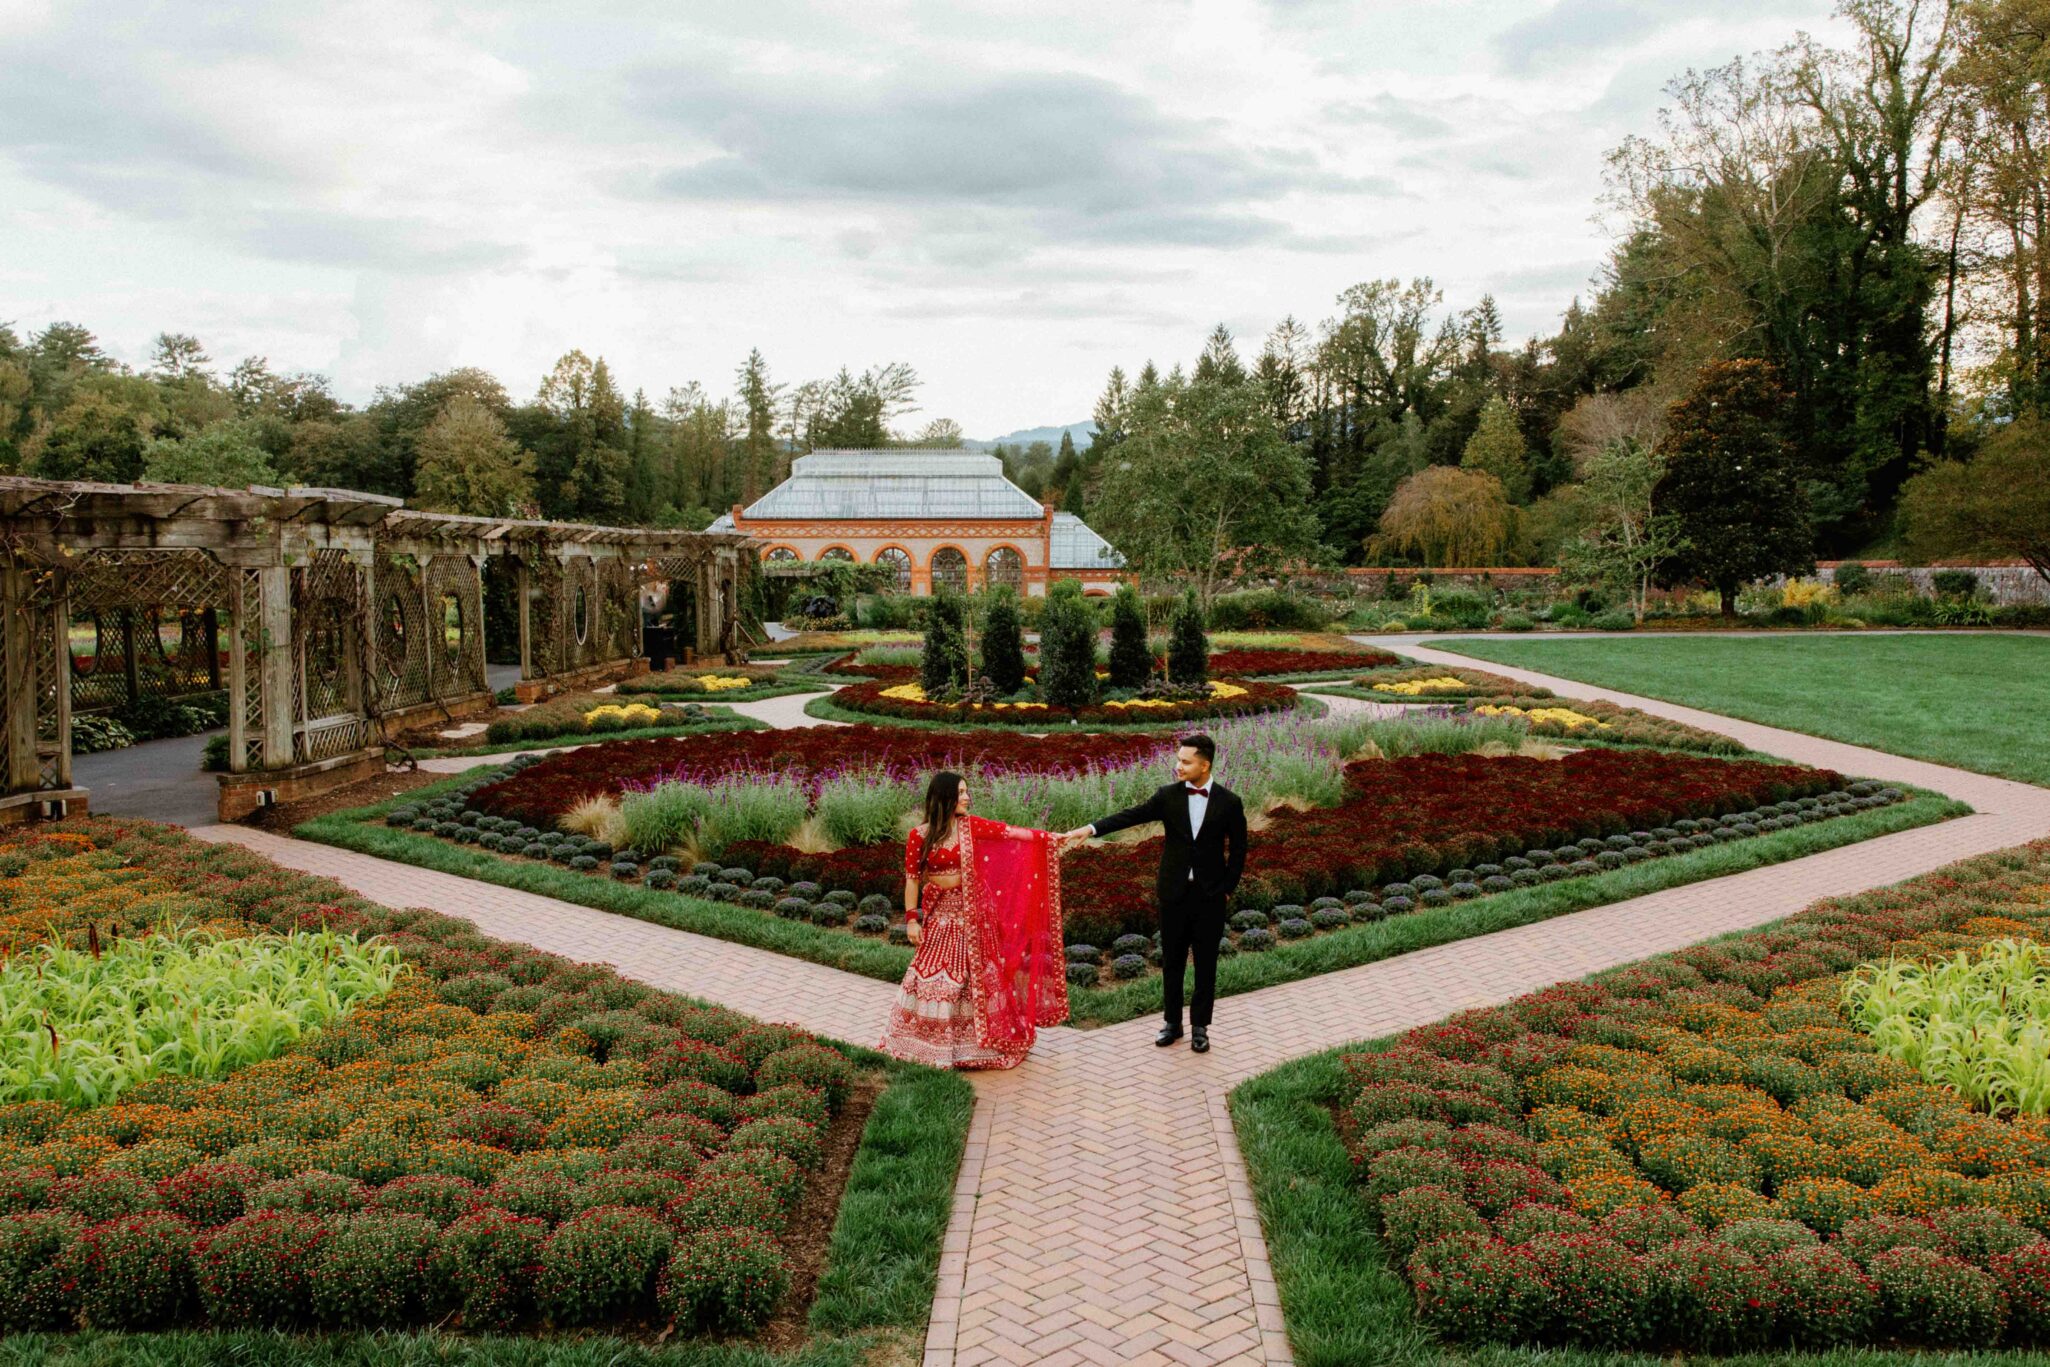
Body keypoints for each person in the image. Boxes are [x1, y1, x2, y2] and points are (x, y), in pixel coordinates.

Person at [1060, 733, 1246, 1053]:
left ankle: (1200, 1026)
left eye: (1186, 762)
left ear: (1205, 765)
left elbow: (1240, 851)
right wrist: (1090, 829)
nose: (1178, 766)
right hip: (1172, 894)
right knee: (1171, 961)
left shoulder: (1229, 802)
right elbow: (1130, 816)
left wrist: (1226, 889)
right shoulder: (1167, 796)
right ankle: (1171, 1023)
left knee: (1206, 964)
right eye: (1178, 760)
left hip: (1209, 897)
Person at [877, 771, 1068, 1069]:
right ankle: (928, 1042)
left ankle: (979, 1045)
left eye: (967, 792)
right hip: (942, 913)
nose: (967, 797)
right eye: (962, 792)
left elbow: (1009, 833)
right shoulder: (920, 835)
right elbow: (912, 880)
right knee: (936, 972)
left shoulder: (971, 826)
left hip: (975, 911)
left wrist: (1049, 839)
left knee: (979, 973)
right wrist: (912, 920)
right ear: (946, 797)